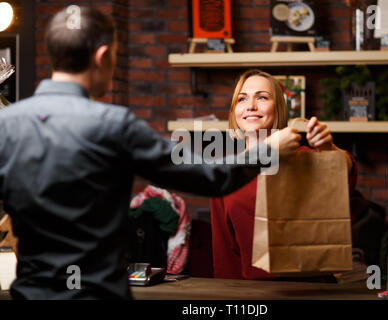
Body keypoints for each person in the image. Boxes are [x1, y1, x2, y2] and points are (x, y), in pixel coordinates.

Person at [0, 8, 301, 299]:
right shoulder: (114, 125)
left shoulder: (6, 124)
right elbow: (211, 178)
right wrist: (268, 151)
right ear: (102, 56)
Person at [210, 69, 358, 280]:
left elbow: (346, 173)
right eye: (242, 99)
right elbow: (224, 257)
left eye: (262, 97)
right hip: (254, 295)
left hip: (313, 289)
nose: (251, 106)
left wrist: (328, 148)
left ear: (277, 107)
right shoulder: (226, 173)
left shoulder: (303, 158)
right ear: (235, 110)